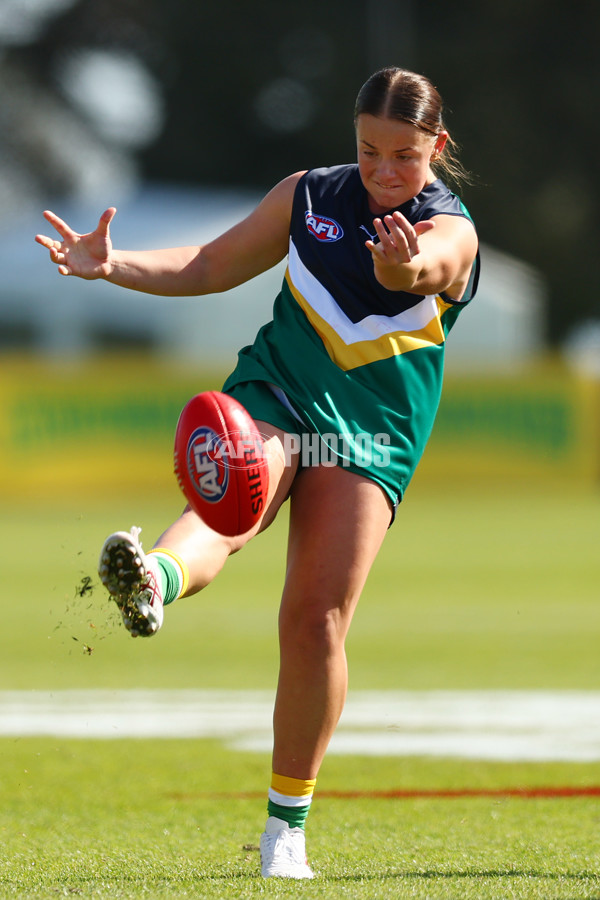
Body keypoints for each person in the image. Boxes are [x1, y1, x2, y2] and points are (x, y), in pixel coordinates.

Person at [36, 66, 479, 879]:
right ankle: (155, 581)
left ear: (436, 148)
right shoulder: (309, 196)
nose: (385, 171)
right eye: (369, 150)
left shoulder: (449, 228)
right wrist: (112, 265)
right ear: (353, 141)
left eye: (406, 156)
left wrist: (398, 271)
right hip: (279, 389)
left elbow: (429, 272)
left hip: (374, 433)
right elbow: (209, 264)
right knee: (236, 492)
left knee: (314, 623)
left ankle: (286, 832)